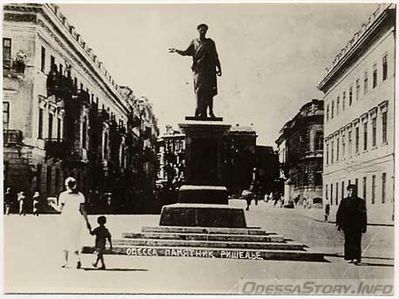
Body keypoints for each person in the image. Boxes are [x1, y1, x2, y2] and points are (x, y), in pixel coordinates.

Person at [169, 23, 222, 119]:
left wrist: (219, 68)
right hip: (198, 70)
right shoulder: (194, 42)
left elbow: (215, 56)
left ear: (207, 31)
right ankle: (198, 111)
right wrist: (176, 50)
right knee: (199, 90)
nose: (203, 31)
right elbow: (186, 52)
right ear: (198, 31)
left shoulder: (210, 42)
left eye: (205, 30)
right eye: (201, 30)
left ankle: (210, 112)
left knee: (209, 91)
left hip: (210, 70)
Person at [50, 177, 90, 269]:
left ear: (66, 185)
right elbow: (83, 210)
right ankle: (77, 259)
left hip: (66, 218)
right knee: (75, 239)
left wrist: (52, 204)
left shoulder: (63, 195)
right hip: (77, 218)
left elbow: (59, 209)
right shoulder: (80, 195)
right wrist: (87, 222)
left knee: (64, 238)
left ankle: (65, 261)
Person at [336, 184, 367, 265]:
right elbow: (339, 213)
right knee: (348, 241)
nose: (352, 192)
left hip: (357, 225)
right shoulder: (344, 201)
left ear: (356, 192)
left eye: (353, 191)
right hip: (347, 225)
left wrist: (364, 226)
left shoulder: (360, 201)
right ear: (348, 191)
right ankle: (349, 257)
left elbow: (364, 214)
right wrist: (338, 224)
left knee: (357, 242)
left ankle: (356, 258)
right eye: (350, 190)